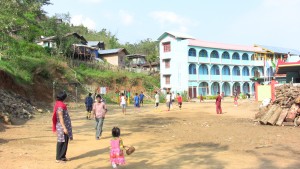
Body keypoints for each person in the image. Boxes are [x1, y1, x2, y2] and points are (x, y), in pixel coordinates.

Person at [52, 91, 73, 163]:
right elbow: (60, 117)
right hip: (62, 127)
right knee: (61, 141)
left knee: (65, 141)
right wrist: (64, 128)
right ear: (63, 98)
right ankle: (58, 158)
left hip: (64, 126)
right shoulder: (60, 106)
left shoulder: (59, 104)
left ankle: (63, 156)